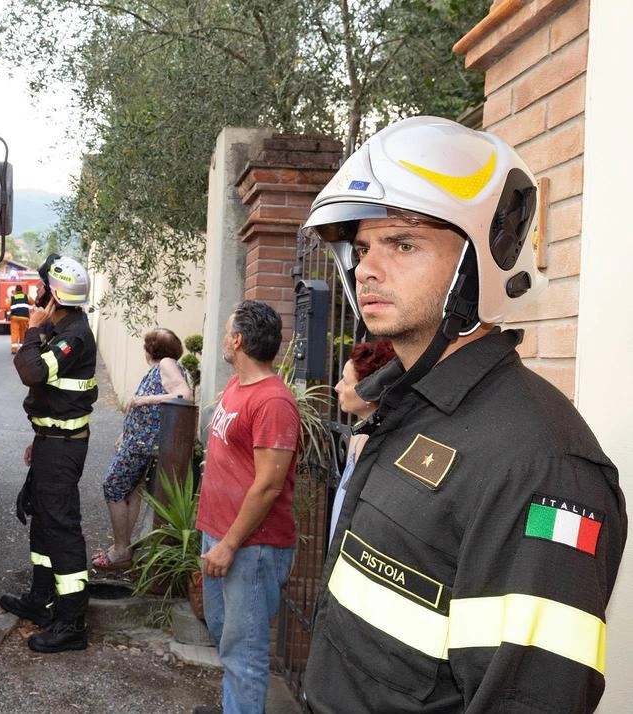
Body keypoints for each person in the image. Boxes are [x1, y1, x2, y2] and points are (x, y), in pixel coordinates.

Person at [299, 116, 625, 714]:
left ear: (478, 263)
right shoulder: (400, 408)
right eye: (365, 247)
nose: (367, 268)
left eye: (402, 243)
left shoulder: (542, 468)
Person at [192, 300, 299, 714]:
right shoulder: (238, 386)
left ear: (237, 340)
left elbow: (269, 485)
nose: (222, 338)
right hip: (222, 536)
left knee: (245, 651)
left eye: (225, 331)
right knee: (225, 634)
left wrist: (229, 545)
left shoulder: (274, 401)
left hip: (250, 549)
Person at [0, 254, 97, 653]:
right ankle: (41, 600)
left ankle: (71, 622)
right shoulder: (63, 327)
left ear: (54, 297)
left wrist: (30, 331)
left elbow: (32, 372)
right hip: (49, 441)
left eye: (43, 291)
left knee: (61, 528)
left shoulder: (73, 335)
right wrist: (39, 435)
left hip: (62, 448)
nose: (38, 298)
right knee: (41, 523)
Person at [93, 327, 193, 570]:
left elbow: (185, 395)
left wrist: (143, 400)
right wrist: (125, 431)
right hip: (139, 441)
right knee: (132, 491)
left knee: (112, 486)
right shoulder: (163, 368)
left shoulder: (166, 364)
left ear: (151, 349)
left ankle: (120, 549)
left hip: (141, 445)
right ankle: (123, 548)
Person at [328, 339, 394, 546]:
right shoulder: (358, 432)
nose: (337, 387)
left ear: (370, 390)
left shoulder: (381, 442)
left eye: (346, 382)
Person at [8, 285, 31, 354]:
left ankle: (14, 349)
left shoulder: (12, 298)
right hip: (24, 318)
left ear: (15, 291)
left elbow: (7, 306)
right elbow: (33, 302)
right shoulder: (27, 297)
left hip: (14, 318)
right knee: (23, 333)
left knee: (15, 333)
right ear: (22, 290)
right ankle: (22, 348)